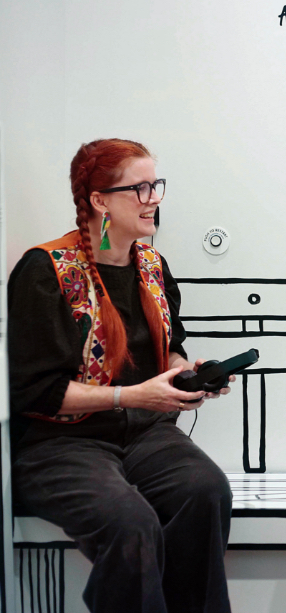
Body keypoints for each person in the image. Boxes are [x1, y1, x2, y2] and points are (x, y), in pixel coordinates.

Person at [8, 139, 233, 613]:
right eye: (142, 187)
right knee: (130, 523)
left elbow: (169, 349)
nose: (155, 198)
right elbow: (38, 393)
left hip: (146, 434)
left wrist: (185, 374)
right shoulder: (44, 270)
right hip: (60, 444)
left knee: (205, 491)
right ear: (99, 200)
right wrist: (133, 395)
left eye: (157, 185)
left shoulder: (152, 266)